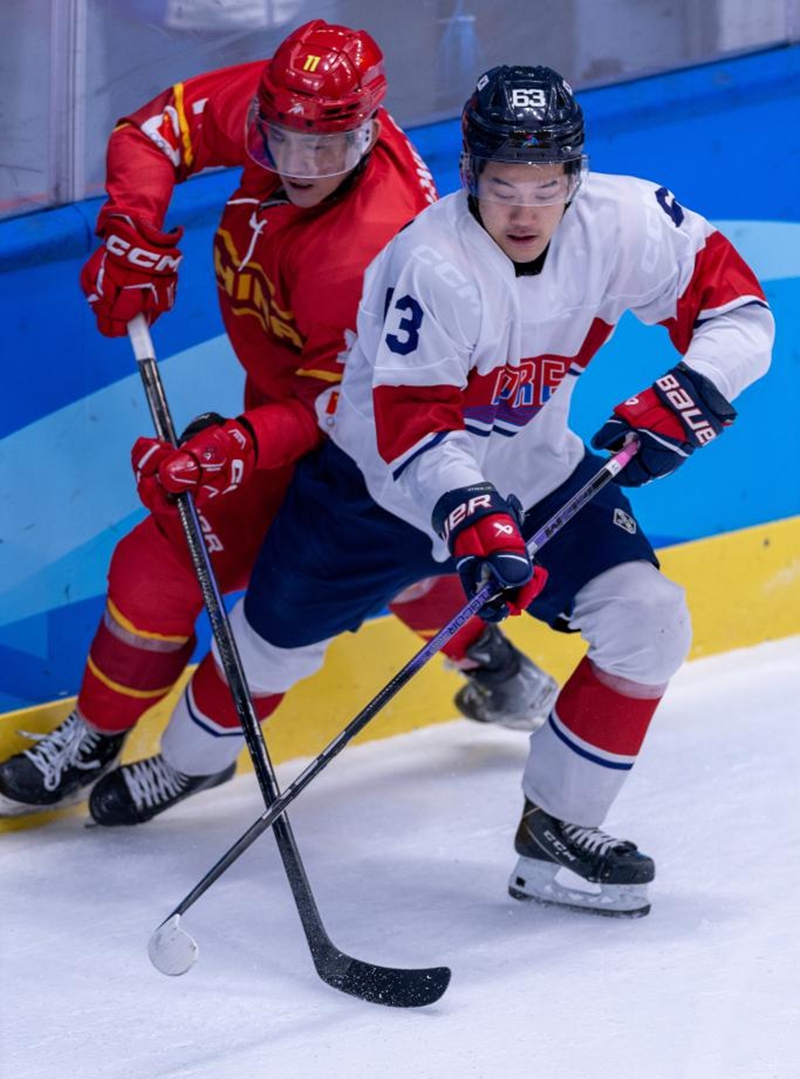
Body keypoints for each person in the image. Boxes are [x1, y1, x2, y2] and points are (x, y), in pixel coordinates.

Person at [117, 61, 774, 915]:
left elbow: (742, 312)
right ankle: (190, 760)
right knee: (268, 645)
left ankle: (556, 835)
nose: (527, 208)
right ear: (469, 173)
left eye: (548, 184)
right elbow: (412, 430)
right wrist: (471, 520)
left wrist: (696, 392)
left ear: (577, 173)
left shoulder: (626, 220)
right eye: (504, 185)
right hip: (376, 491)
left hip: (533, 472)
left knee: (649, 621)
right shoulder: (426, 264)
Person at [0, 27, 557, 822]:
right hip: (314, 411)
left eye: (323, 152)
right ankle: (494, 662)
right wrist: (132, 226)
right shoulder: (300, 109)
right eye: (281, 140)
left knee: (183, 568)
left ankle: (143, 746)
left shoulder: (371, 250)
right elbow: (154, 131)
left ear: (365, 135)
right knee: (389, 564)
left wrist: (240, 448)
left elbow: (342, 411)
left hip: (378, 445)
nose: (297, 166)